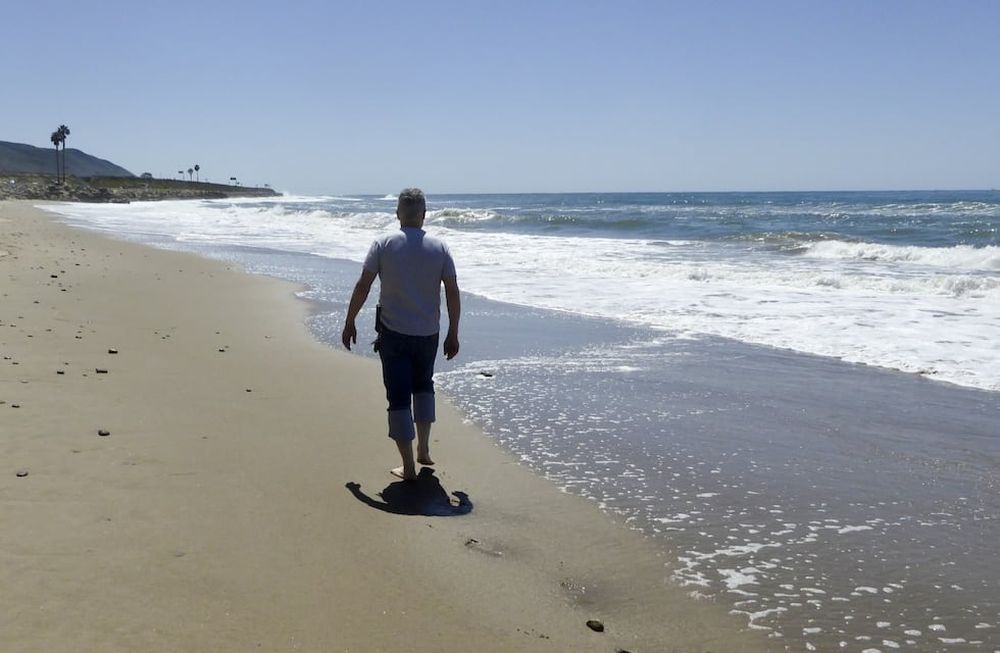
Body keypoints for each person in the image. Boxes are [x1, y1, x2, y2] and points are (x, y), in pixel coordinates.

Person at [341, 188, 461, 480]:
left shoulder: (383, 244)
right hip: (429, 334)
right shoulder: (440, 247)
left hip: (394, 333)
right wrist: (453, 332)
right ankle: (424, 450)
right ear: (424, 214)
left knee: (398, 397)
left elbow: (363, 286)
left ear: (397, 214)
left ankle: (408, 467)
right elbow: (453, 293)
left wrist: (350, 320)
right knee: (423, 387)